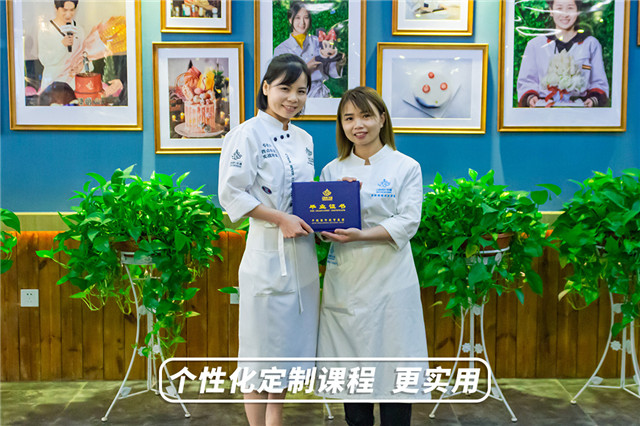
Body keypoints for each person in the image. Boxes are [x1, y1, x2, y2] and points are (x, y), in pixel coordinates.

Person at [317, 86, 428, 426]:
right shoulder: (332, 171)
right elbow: (322, 227)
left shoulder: (405, 167)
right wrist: (327, 226)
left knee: (394, 371)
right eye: (348, 118)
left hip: (391, 282)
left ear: (382, 118)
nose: (358, 125)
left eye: (366, 116)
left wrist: (362, 234)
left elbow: (408, 222)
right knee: (352, 376)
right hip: (346, 282)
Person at [218, 54, 319, 426]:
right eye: (285, 88)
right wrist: (279, 218)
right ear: (265, 88)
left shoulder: (305, 139)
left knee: (287, 351)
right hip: (266, 254)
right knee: (259, 354)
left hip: (302, 258)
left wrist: (333, 207)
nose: (293, 98)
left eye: (301, 91)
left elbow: (305, 195)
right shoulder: (245, 134)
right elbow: (231, 193)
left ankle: (275, 419)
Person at [516, 0, 609, 107]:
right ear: (551, 11)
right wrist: (531, 98)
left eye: (570, 8)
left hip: (580, 110)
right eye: (559, 8)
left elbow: (599, 82)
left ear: (578, 10)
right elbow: (526, 82)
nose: (565, 14)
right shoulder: (535, 45)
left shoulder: (591, 44)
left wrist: (593, 100)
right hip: (544, 110)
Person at [273, 1, 344, 98]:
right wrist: (306, 68)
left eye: (306, 17)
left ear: (310, 19)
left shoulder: (318, 42)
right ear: (290, 19)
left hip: (320, 96)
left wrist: (339, 64)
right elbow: (282, 80)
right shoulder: (281, 49)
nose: (302, 22)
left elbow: (331, 72)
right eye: (297, 18)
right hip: (293, 97)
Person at [37, 0, 92, 92]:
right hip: (53, 84)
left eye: (72, 10)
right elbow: (44, 59)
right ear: (56, 8)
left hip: (74, 84)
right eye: (65, 10)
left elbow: (87, 56)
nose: (68, 14)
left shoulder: (79, 30)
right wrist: (62, 45)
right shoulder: (46, 30)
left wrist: (81, 66)